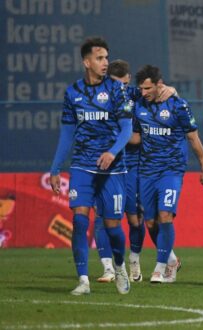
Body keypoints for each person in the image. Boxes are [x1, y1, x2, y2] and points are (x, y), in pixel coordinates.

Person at [49, 37, 133, 295]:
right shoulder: (73, 93)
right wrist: (55, 168)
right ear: (86, 62)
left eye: (106, 57)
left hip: (112, 168)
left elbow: (127, 128)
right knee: (80, 220)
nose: (105, 62)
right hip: (83, 165)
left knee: (113, 227)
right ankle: (83, 280)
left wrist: (112, 152)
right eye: (99, 58)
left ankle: (119, 266)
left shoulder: (118, 91)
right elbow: (67, 134)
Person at [95, 60, 177, 283]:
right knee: (101, 216)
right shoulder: (98, 97)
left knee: (137, 219)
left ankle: (137, 261)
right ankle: (108, 268)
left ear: (128, 80)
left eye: (121, 84)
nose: (117, 89)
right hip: (104, 164)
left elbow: (162, 91)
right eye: (113, 83)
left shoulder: (134, 95)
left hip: (132, 165)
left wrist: (171, 90)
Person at [130, 65, 203, 284]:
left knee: (165, 215)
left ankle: (160, 268)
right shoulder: (138, 105)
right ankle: (172, 259)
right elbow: (136, 138)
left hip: (171, 170)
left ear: (159, 85)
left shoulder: (178, 106)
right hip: (147, 170)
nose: (144, 92)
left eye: (148, 88)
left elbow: (193, 138)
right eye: (141, 88)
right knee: (150, 222)